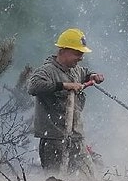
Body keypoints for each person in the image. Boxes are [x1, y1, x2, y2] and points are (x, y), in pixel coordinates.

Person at [26, 28, 105, 172]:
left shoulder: (75, 70)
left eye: (82, 54)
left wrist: (93, 76)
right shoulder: (47, 71)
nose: (81, 57)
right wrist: (64, 86)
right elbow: (33, 87)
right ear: (63, 51)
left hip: (76, 138)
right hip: (54, 140)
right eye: (77, 53)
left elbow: (85, 73)